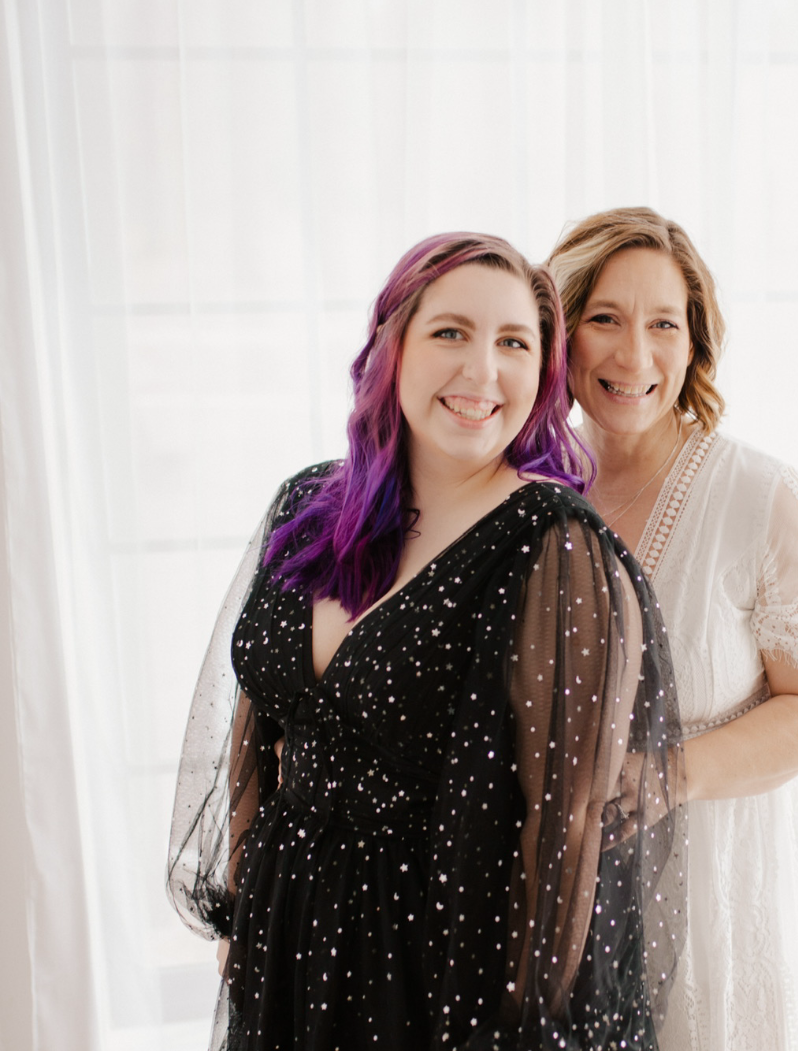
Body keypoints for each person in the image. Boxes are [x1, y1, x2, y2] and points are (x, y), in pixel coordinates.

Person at [166, 233, 685, 1051]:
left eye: (513, 342)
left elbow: (565, 830)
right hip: (287, 935)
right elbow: (261, 735)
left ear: (542, 373)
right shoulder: (305, 505)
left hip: (442, 974)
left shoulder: (553, 549)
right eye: (451, 332)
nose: (482, 372)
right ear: (391, 347)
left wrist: (508, 1023)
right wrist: (243, 924)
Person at [547, 208, 798, 1051]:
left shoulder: (760, 497)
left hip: (723, 890)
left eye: (662, 324)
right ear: (561, 330)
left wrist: (671, 776)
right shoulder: (526, 496)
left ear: (695, 346)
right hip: (570, 902)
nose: (633, 355)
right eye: (604, 318)